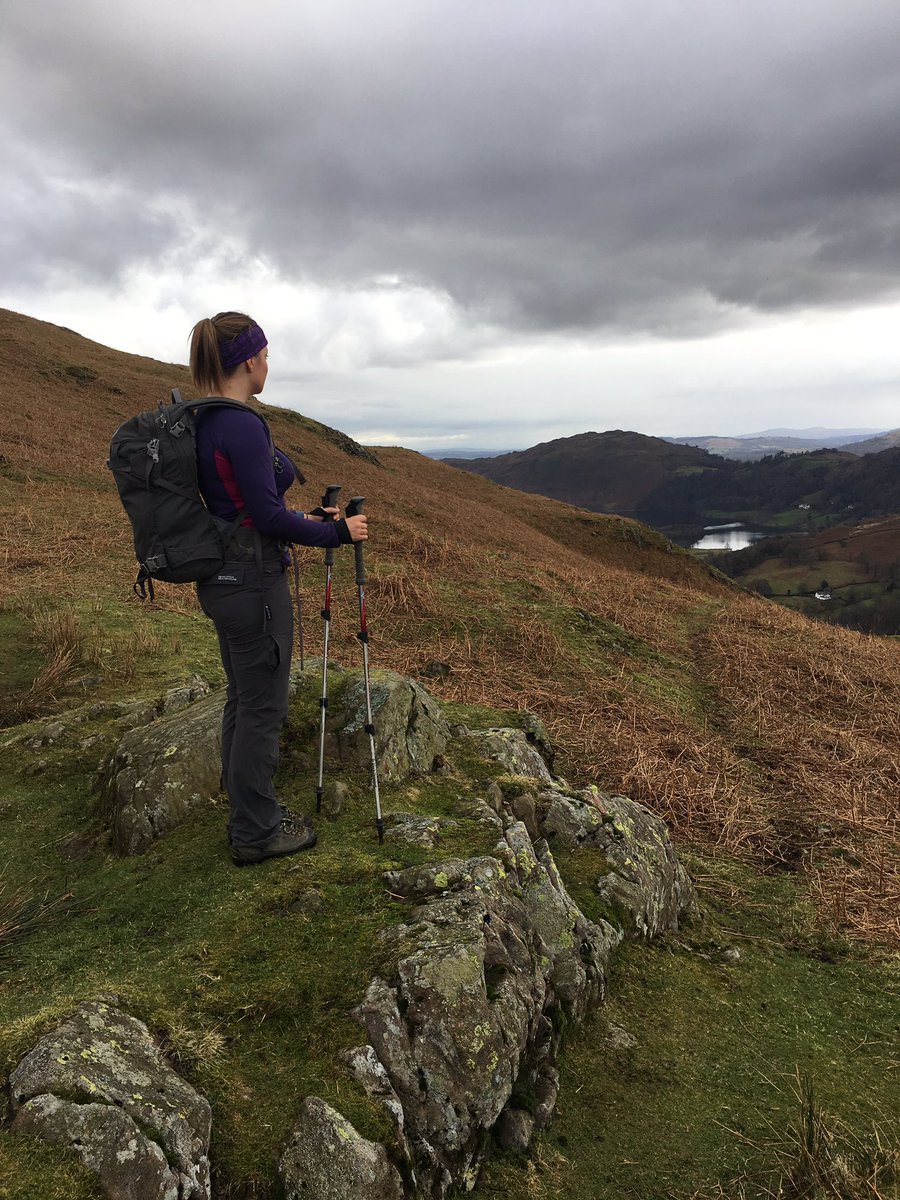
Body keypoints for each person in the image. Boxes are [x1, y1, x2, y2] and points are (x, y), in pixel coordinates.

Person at [189, 311, 367, 866]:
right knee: (262, 706)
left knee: (244, 699)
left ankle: (249, 813)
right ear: (248, 360)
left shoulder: (206, 419)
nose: (269, 364)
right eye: (265, 355)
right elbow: (264, 515)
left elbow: (241, 507)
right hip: (251, 583)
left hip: (224, 578)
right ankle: (256, 833)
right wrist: (333, 531)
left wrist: (306, 516)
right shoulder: (238, 424)